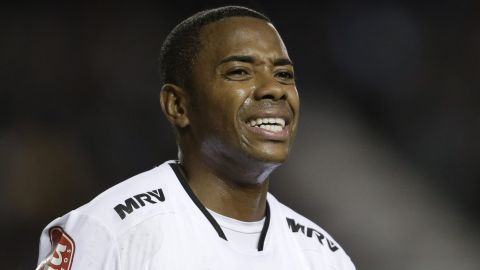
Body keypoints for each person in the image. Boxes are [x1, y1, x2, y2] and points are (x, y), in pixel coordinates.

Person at [36, 6, 355, 270]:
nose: (273, 88)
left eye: (284, 74)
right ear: (178, 105)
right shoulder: (111, 230)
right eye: (239, 72)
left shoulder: (323, 257)